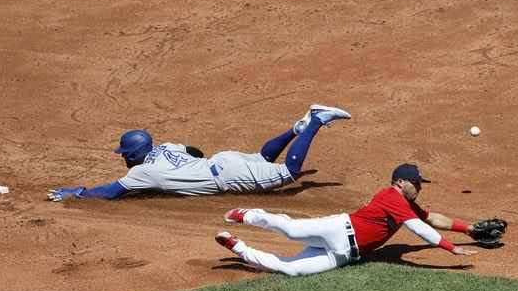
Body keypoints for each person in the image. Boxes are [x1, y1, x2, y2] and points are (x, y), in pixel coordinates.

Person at [215, 163, 491, 277]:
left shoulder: (407, 204)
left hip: (346, 254)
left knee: (292, 271)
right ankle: (249, 215)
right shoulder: (390, 196)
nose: (419, 188)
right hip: (337, 229)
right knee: (291, 230)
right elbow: (418, 228)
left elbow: (432, 219)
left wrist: (469, 229)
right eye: (417, 184)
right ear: (401, 182)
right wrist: (450, 248)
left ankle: (239, 248)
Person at [47, 104, 351, 201]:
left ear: (136, 153)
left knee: (288, 173)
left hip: (227, 175)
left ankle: (316, 120)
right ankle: (295, 131)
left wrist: (80, 192)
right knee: (262, 159)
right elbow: (194, 150)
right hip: (220, 160)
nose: (124, 157)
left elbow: (111, 191)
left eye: (126, 153)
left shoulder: (142, 172)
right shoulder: (165, 147)